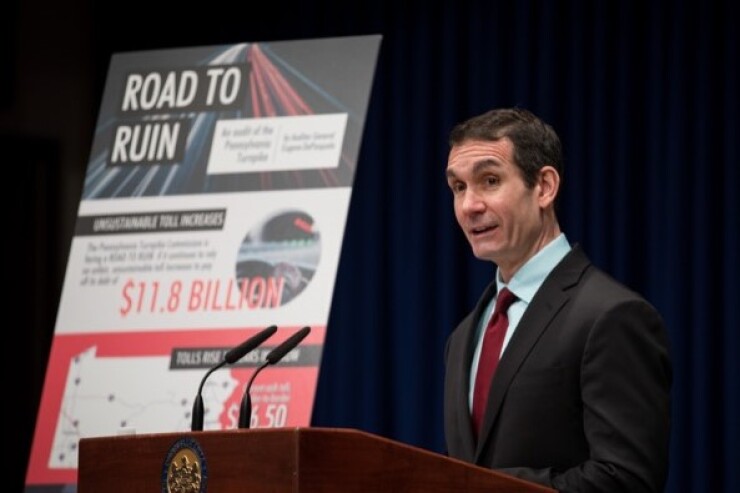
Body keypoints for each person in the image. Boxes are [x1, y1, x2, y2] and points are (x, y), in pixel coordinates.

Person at [443, 107, 672, 492]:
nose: (470, 205)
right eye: (459, 188)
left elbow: (628, 480)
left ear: (545, 187)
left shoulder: (612, 317)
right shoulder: (464, 335)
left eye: (490, 180)